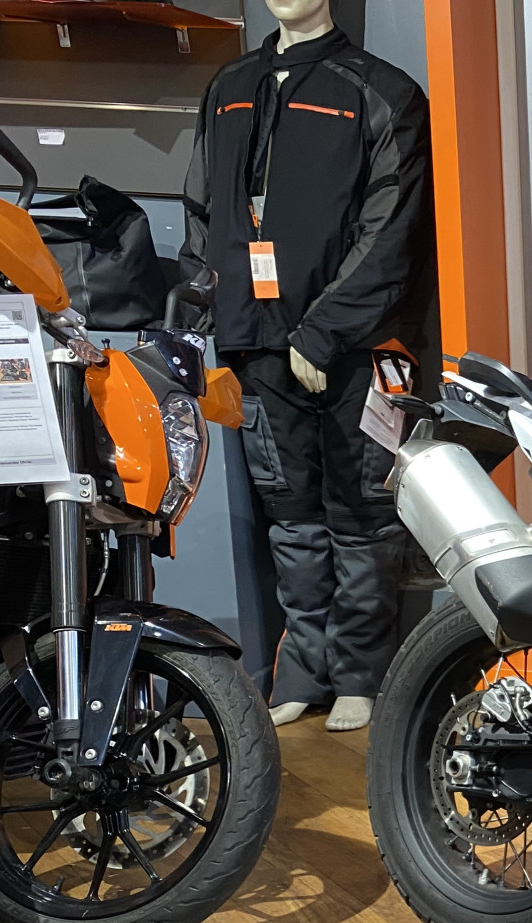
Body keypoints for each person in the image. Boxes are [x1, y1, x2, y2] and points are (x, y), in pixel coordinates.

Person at [180, 0, 431, 732]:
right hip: (253, 343)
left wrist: (322, 331)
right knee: (289, 515)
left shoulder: (382, 90)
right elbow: (202, 208)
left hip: (352, 347)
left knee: (361, 513)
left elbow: (392, 228)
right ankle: (302, 671)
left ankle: (360, 675)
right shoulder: (229, 87)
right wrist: (210, 309)